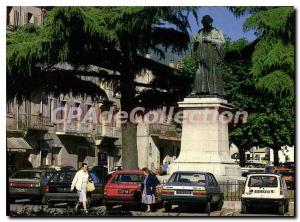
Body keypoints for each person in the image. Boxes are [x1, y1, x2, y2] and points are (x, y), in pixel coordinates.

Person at [191, 15, 226, 96]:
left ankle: (215, 91)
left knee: (213, 73)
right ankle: (199, 91)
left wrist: (210, 40)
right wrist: (195, 44)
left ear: (211, 21)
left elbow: (223, 43)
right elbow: (193, 44)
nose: (206, 23)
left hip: (213, 55)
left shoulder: (217, 31)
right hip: (202, 56)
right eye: (204, 21)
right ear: (202, 23)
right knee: (199, 72)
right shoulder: (199, 32)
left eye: (207, 21)